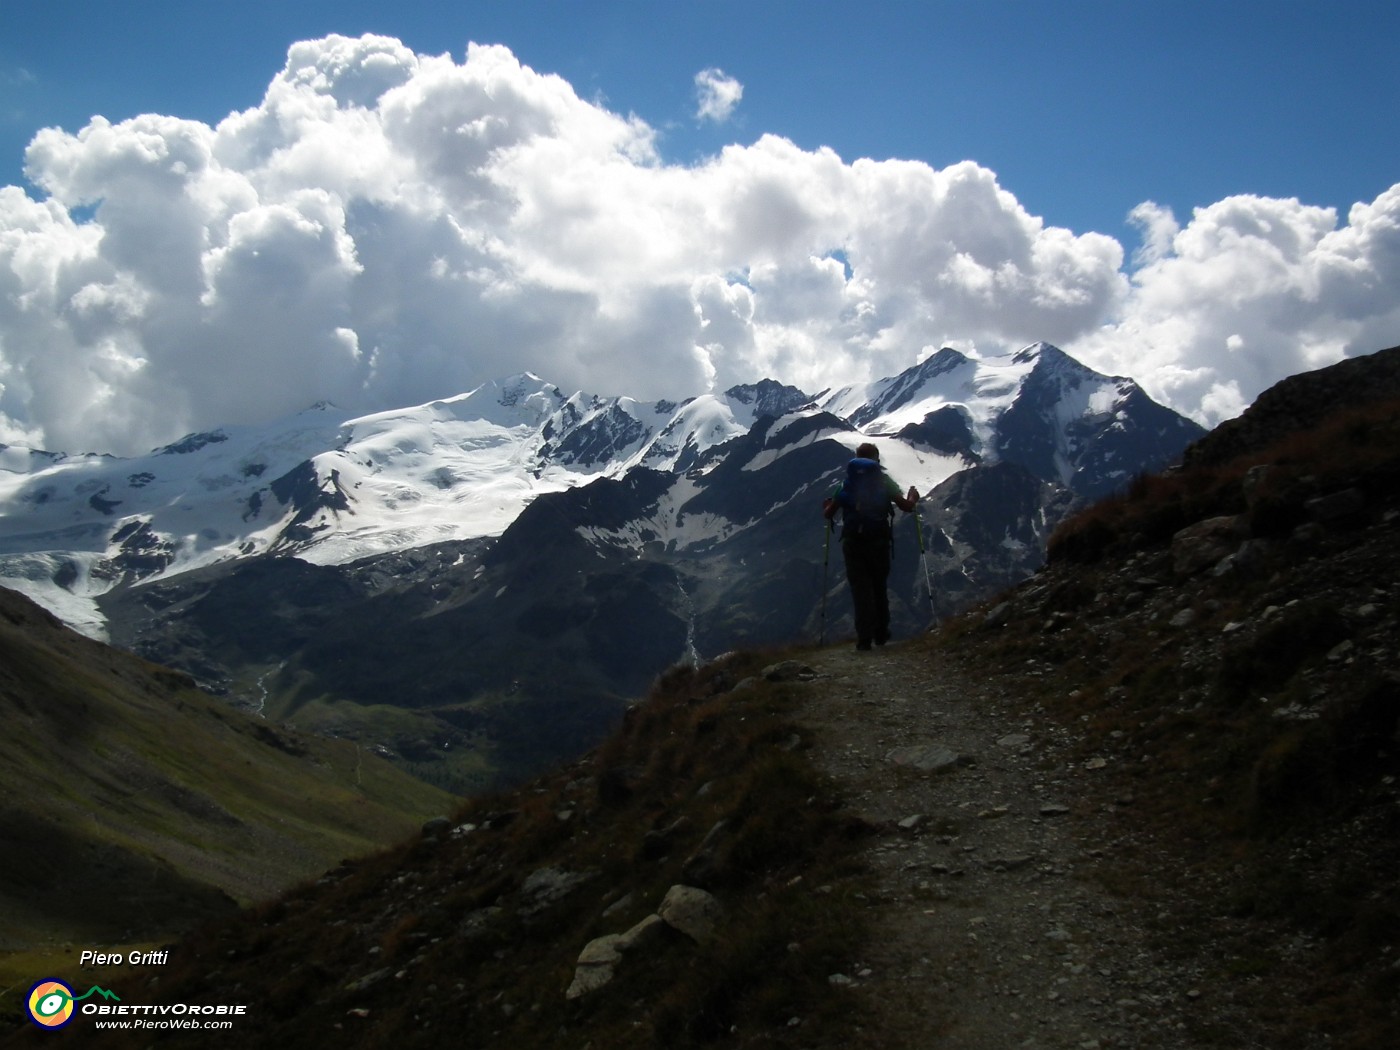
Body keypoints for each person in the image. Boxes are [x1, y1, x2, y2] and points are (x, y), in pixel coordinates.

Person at [822, 442, 920, 651]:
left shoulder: (846, 484)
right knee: (879, 587)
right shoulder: (884, 483)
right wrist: (913, 497)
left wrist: (827, 505)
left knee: (860, 590)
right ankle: (881, 634)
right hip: (878, 542)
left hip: (852, 543)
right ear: (876, 459)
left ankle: (863, 638)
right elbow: (906, 507)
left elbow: (829, 514)